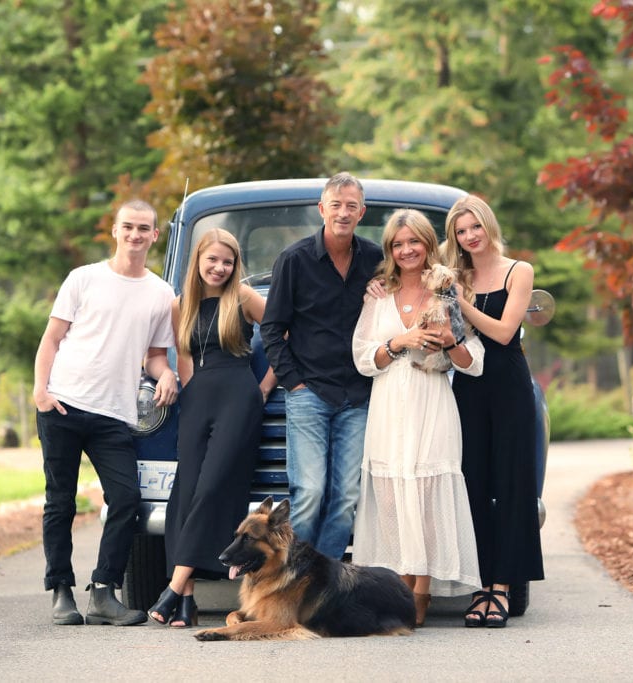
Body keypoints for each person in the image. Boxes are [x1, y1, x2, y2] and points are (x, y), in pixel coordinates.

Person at [32, 199, 178, 626]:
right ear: (115, 231)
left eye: (143, 229)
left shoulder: (160, 292)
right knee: (60, 502)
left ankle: (103, 591)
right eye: (128, 227)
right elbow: (51, 339)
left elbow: (153, 355)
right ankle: (61, 590)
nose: (135, 235)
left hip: (114, 414)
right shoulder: (84, 279)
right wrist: (41, 392)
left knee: (127, 500)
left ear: (155, 236)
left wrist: (166, 371)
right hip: (62, 403)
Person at [351, 208, 483, 627]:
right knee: (389, 497)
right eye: (398, 243)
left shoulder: (448, 291)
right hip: (389, 403)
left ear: (428, 244)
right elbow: (361, 358)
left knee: (425, 497)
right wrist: (397, 341)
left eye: (414, 241)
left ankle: (420, 590)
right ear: (390, 250)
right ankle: (396, 586)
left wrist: (448, 343)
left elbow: (472, 361)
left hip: (431, 402)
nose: (407, 250)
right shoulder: (378, 296)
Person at [148, 229, 276, 628]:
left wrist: (264, 389)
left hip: (239, 397)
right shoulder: (179, 305)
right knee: (184, 494)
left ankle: (173, 588)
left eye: (228, 262)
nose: (220, 268)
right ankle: (186, 602)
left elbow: (284, 335)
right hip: (197, 399)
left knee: (210, 489)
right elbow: (184, 359)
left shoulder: (243, 298)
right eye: (213, 260)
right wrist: (182, 387)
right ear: (199, 261)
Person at [260, 172, 384, 560]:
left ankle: (323, 580)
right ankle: (291, 573)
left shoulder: (377, 260)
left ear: (361, 212)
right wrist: (294, 383)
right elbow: (272, 328)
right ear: (322, 209)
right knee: (310, 491)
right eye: (336, 205)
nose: (343, 213)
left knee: (347, 496)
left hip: (360, 394)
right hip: (309, 393)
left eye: (351, 206)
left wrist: (382, 294)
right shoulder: (294, 260)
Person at [445, 195, 545, 628]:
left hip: (507, 383)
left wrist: (460, 302)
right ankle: (480, 585)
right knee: (474, 483)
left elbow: (504, 332)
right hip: (468, 384)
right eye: (461, 232)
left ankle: (503, 586)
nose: (469, 237)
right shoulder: (457, 275)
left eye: (474, 228)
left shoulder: (518, 271)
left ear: (488, 226)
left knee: (512, 483)